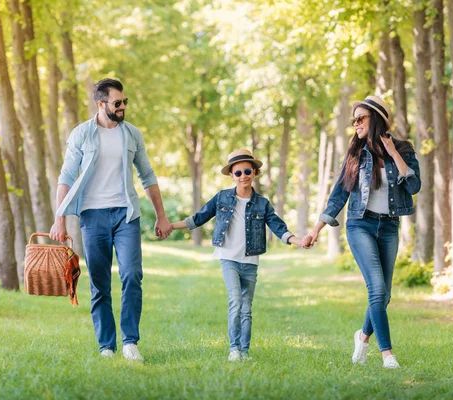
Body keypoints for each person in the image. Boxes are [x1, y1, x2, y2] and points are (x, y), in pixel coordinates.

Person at [49, 78, 172, 362]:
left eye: (124, 102)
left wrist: (162, 216)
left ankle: (130, 342)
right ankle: (106, 345)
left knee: (132, 275)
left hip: (125, 214)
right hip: (92, 216)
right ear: (101, 104)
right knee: (100, 283)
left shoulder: (132, 134)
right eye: (117, 103)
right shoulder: (81, 134)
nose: (123, 107)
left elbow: (147, 176)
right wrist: (60, 220)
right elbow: (66, 178)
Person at [303, 96, 420, 369]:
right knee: (377, 289)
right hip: (360, 225)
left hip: (389, 226)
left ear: (376, 119)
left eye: (360, 118)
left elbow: (414, 186)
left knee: (385, 294)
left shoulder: (403, 149)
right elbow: (339, 194)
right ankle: (387, 354)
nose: (355, 124)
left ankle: (363, 336)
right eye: (353, 120)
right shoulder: (355, 154)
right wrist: (317, 229)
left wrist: (393, 153)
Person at [170, 149, 304, 361]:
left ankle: (244, 351)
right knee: (236, 301)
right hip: (228, 258)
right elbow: (198, 218)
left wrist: (297, 241)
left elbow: (278, 227)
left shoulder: (262, 204)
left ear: (255, 172)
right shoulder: (222, 197)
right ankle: (234, 349)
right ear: (232, 176)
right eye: (238, 172)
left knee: (247, 308)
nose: (243, 175)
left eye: (247, 171)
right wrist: (170, 227)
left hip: (250, 261)